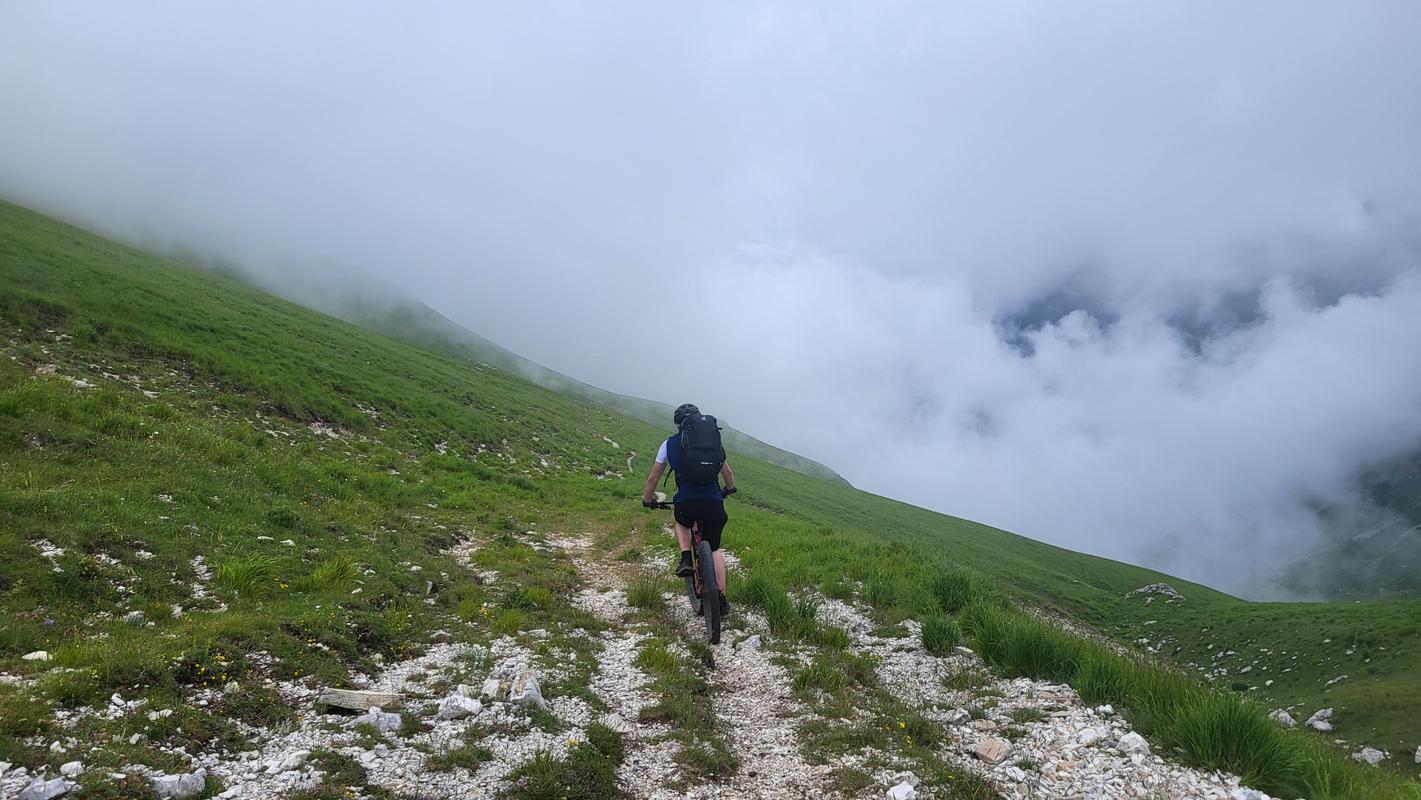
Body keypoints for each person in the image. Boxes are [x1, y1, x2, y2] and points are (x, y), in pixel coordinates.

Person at [642, 403, 735, 616]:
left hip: (686, 501)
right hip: (713, 502)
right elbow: (728, 474)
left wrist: (648, 499)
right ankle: (721, 599)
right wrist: (728, 490)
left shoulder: (670, 444)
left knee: (682, 523)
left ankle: (685, 557)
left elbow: (652, 478)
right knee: (713, 549)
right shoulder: (712, 443)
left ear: (678, 425)